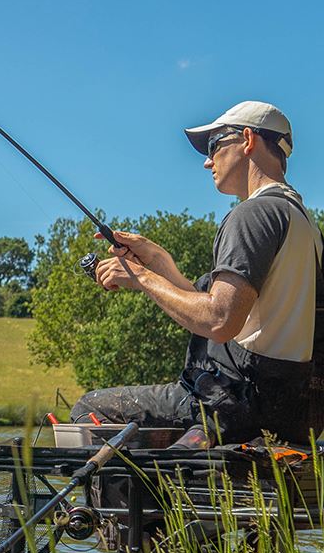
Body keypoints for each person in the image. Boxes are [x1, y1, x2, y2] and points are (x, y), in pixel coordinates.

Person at [70, 100, 322, 444]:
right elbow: (237, 317)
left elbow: (219, 321)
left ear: (248, 140)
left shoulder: (252, 215)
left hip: (237, 404)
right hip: (288, 410)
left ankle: (140, 496)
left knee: (90, 407)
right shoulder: (303, 223)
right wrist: (159, 262)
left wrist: (142, 278)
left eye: (214, 145)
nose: (207, 161)